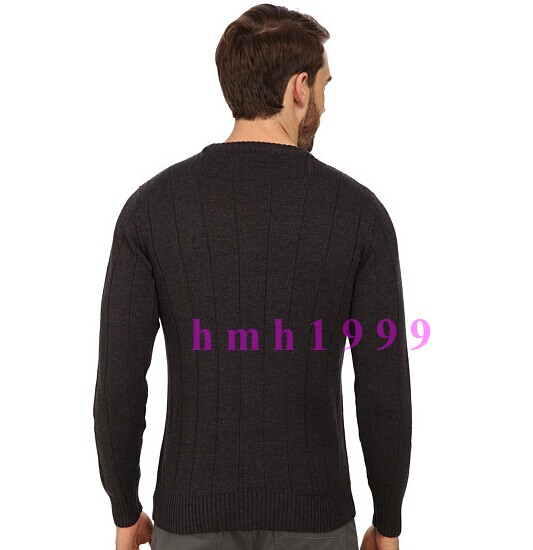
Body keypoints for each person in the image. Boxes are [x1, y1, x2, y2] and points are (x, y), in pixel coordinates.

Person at [93, 3, 412, 549]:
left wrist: (125, 509)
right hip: (317, 520)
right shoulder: (360, 215)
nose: (324, 103)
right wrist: (388, 522)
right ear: (299, 88)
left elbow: (119, 378)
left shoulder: (151, 210)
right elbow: (384, 386)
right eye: (324, 87)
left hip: (189, 520)